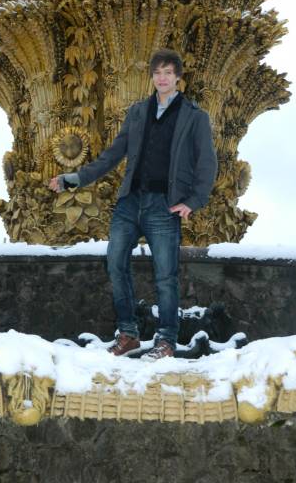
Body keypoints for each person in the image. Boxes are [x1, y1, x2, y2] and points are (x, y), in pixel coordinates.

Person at [49, 49, 217, 360]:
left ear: (178, 78)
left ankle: (166, 340)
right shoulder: (138, 112)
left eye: (168, 73)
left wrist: (193, 201)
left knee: (165, 275)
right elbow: (112, 155)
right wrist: (74, 179)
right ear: (152, 77)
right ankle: (128, 335)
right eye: (157, 73)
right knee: (115, 262)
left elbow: (207, 163)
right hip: (130, 201)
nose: (162, 78)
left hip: (164, 205)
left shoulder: (195, 116)